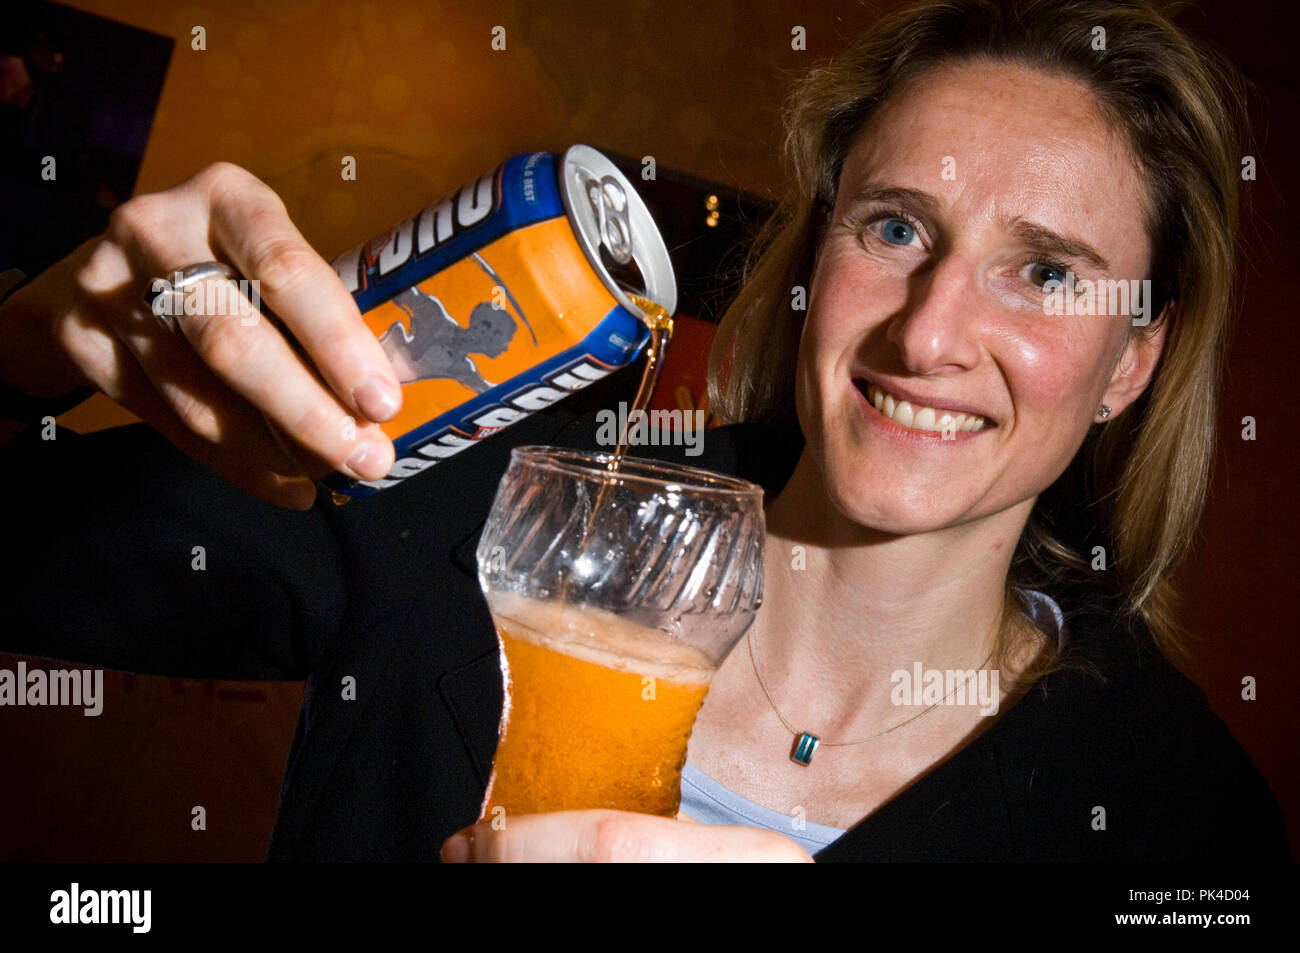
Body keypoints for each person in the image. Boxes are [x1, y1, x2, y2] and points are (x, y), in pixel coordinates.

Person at [0, 0, 1288, 862]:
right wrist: (32, 342)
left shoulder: (1186, 819)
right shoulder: (485, 492)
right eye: (894, 228)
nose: (930, 332)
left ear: (1133, 359)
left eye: (1048, 273)